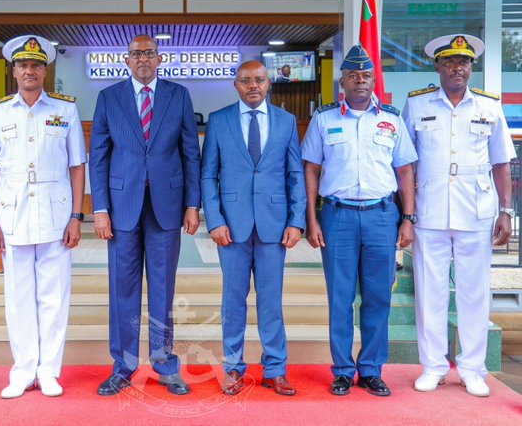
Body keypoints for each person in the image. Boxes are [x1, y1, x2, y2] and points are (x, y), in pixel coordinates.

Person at [402, 34, 515, 397]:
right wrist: (405, 213)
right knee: (429, 292)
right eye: (449, 61)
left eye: (464, 62)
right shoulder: (417, 105)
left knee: (474, 293)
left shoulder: (488, 106)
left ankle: (472, 368)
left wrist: (506, 211)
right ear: (437, 66)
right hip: (430, 210)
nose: (457, 68)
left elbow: (501, 164)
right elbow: (405, 164)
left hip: (476, 213)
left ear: (471, 67)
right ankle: (433, 366)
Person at [301, 45, 417, 397]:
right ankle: (341, 370)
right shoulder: (324, 119)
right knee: (340, 298)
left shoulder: (392, 119)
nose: (360, 81)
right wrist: (311, 218)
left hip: (382, 216)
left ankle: (370, 369)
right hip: (337, 217)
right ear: (343, 81)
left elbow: (405, 170)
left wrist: (408, 218)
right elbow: (311, 169)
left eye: (366, 75)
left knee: (378, 296)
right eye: (353, 75)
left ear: (373, 80)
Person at [89, 34, 201, 396]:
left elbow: (190, 153)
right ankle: (122, 366)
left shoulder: (177, 95)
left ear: (159, 58)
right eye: (136, 54)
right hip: (121, 209)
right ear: (126, 59)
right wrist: (100, 209)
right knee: (123, 291)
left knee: (163, 291)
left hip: (167, 207)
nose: (143, 60)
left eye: (149, 53)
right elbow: (99, 157)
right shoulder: (109, 98)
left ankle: (165, 365)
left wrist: (192, 204)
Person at [0, 35, 86, 399]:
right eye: (23, 64)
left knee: (54, 297)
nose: (29, 70)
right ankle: (23, 370)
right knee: (19, 296)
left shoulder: (65, 110)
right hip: (13, 216)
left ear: (45, 70)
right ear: (13, 70)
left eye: (36, 65)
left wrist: (76, 215)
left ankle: (49, 370)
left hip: (56, 215)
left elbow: (76, 165)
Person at [201, 60, 306, 397]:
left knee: (270, 302)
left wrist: (296, 220)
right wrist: (214, 220)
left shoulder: (286, 122)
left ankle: (274, 368)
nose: (253, 86)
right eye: (245, 80)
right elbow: (208, 176)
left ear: (268, 83)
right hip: (231, 228)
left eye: (259, 80)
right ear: (236, 85)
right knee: (233, 301)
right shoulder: (218, 121)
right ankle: (233, 368)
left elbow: (294, 174)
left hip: (274, 226)